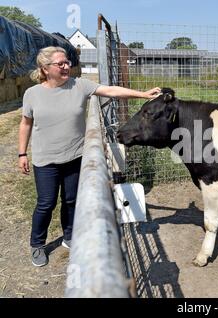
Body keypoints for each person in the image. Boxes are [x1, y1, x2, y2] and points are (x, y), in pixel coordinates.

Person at [18, 46, 160, 267]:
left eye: (67, 62)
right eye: (60, 63)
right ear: (45, 69)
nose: (67, 66)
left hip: (75, 156)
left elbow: (111, 90)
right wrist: (22, 153)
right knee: (46, 203)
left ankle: (69, 236)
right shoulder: (32, 94)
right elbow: (25, 124)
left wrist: (142, 94)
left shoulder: (80, 85)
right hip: (45, 160)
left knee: (71, 200)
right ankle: (37, 244)